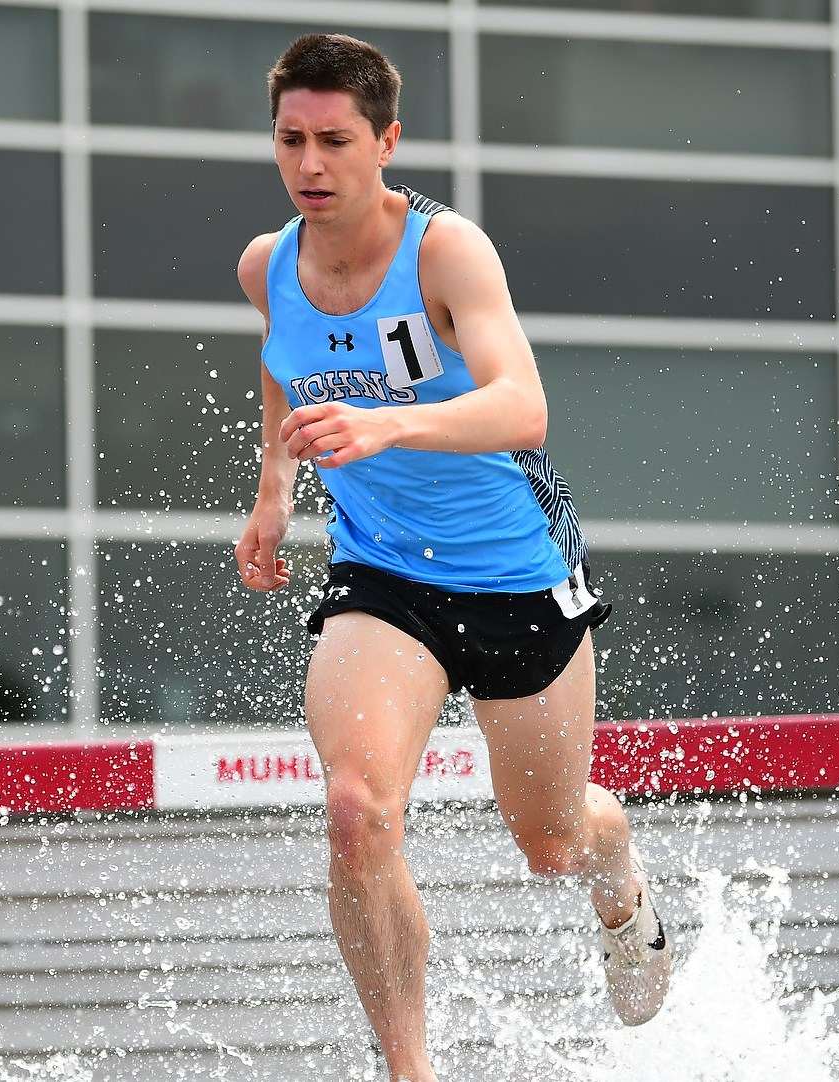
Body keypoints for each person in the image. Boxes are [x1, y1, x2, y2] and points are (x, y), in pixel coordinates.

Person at [232, 33, 672, 1082]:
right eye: (289, 139)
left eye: (334, 141)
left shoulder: (444, 251)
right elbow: (283, 364)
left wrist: (389, 427)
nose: (309, 166)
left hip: (514, 571)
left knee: (551, 840)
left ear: (386, 139)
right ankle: (407, 1068)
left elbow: (522, 405)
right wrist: (272, 492)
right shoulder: (266, 264)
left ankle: (618, 872)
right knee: (356, 808)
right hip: (382, 574)